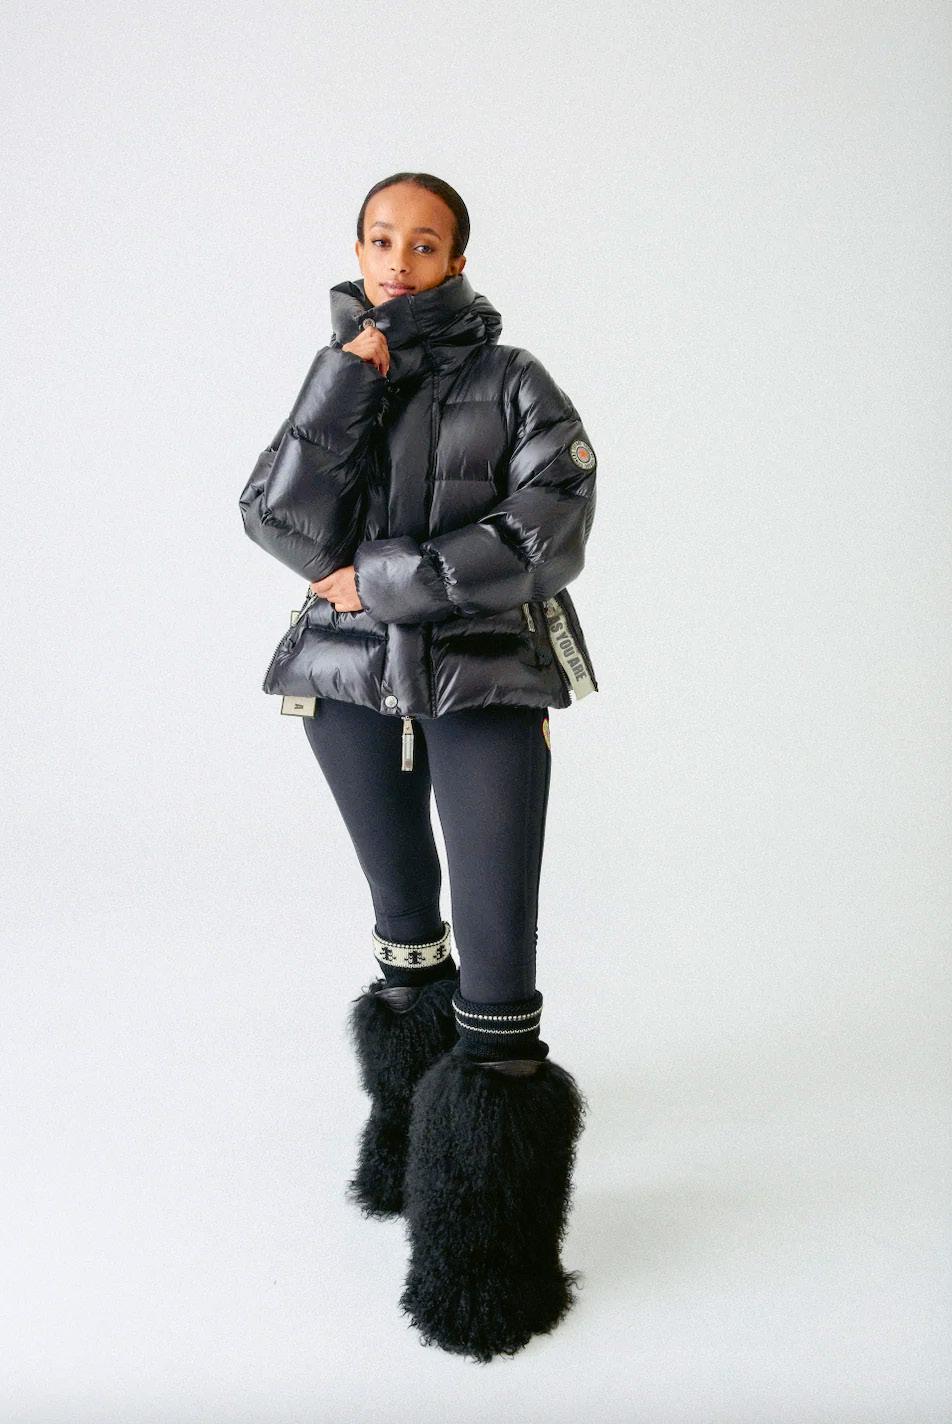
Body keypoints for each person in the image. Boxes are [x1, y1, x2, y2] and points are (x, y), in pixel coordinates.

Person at [239, 172, 599, 1363]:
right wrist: (347, 377)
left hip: (485, 681)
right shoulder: (338, 371)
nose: (399, 257)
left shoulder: (515, 380)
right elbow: (279, 520)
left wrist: (387, 579)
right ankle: (407, 1147)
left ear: (456, 261)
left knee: (497, 970)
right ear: (358, 248)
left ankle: (487, 1256)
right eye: (381, 237)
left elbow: (551, 524)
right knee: (405, 930)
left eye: (425, 243)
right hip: (345, 685)